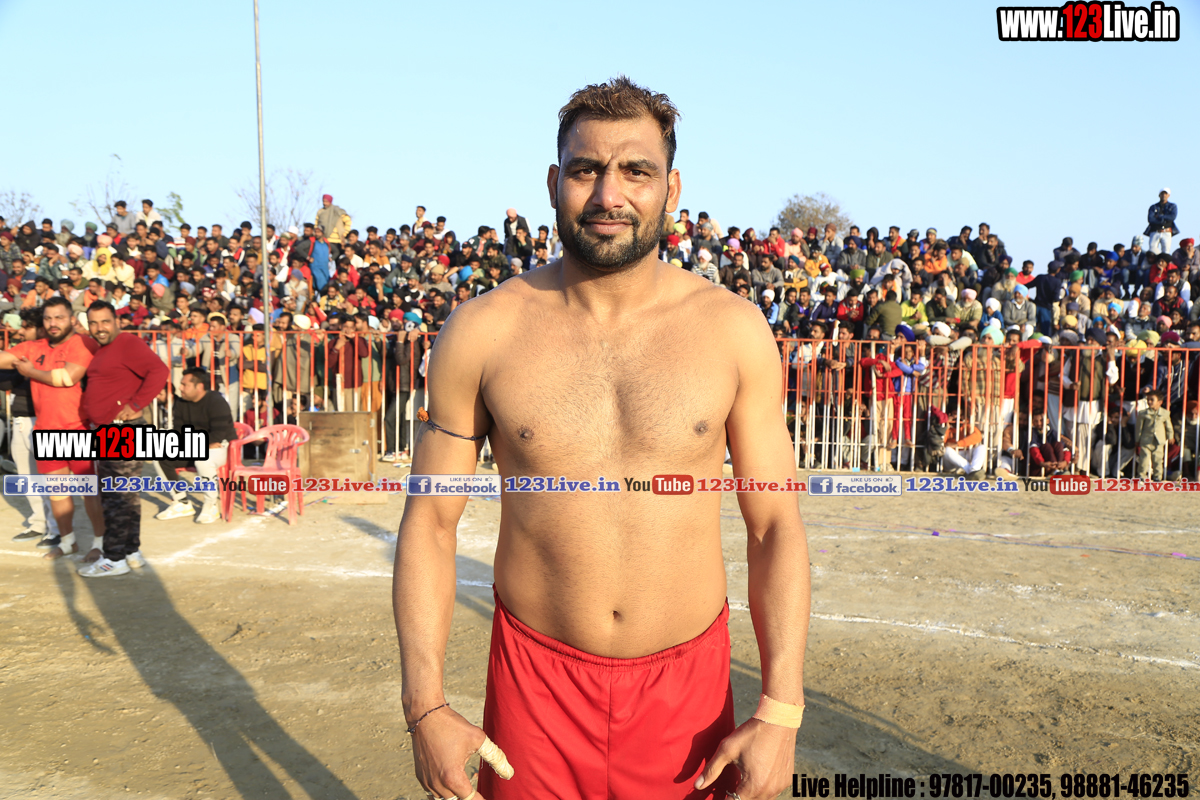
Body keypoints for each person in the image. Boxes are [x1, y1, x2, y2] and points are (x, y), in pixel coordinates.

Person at [394, 77, 809, 800]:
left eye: (636, 171)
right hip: (534, 688)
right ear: (555, 184)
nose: (609, 195)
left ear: (671, 188)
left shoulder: (732, 331)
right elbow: (430, 521)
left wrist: (782, 709)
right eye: (586, 169)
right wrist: (423, 706)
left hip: (686, 693)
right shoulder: (483, 331)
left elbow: (774, 523)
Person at [0, 298, 104, 559]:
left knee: (88, 492)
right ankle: (68, 542)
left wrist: (31, 371)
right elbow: (3, 358)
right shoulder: (33, 347)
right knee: (58, 493)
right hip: (46, 430)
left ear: (72, 320)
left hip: (78, 429)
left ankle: (101, 543)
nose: (53, 323)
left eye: (59, 317)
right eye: (48, 318)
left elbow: (66, 378)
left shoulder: (82, 343)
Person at [78, 301, 170, 577]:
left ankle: (114, 558)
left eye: (105, 321)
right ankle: (130, 551)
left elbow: (160, 371)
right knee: (126, 496)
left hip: (121, 430)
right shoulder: (104, 349)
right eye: (94, 323)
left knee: (116, 497)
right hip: (110, 430)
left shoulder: (127, 343)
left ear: (116, 321)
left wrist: (137, 403)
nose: (99, 328)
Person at [154, 367, 236, 524]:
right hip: (197, 445)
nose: (180, 388)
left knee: (203, 459)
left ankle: (211, 505)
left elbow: (218, 436)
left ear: (199, 387)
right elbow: (178, 432)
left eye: (185, 385)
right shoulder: (181, 403)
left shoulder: (216, 401)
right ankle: (181, 502)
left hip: (221, 447)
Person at [1135, 389, 1173, 480]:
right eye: (1148, 400)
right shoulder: (1143, 413)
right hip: (1146, 440)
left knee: (1158, 459)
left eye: (1152, 400)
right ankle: (1141, 476)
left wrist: (1170, 436)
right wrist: (1137, 439)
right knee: (1144, 459)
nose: (1149, 402)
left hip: (1159, 440)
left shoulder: (1165, 413)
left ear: (1160, 402)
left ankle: (1157, 477)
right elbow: (1139, 428)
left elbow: (1169, 426)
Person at [1145, 188, 1178, 256]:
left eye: (1165, 194)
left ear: (1168, 195)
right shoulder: (1153, 207)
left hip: (1167, 231)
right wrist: (1165, 220)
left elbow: (1172, 217)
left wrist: (1159, 216)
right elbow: (1150, 219)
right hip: (1155, 231)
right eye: (1162, 194)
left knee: (1166, 252)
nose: (1164, 195)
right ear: (1159, 195)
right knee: (1152, 251)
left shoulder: (1172, 206)